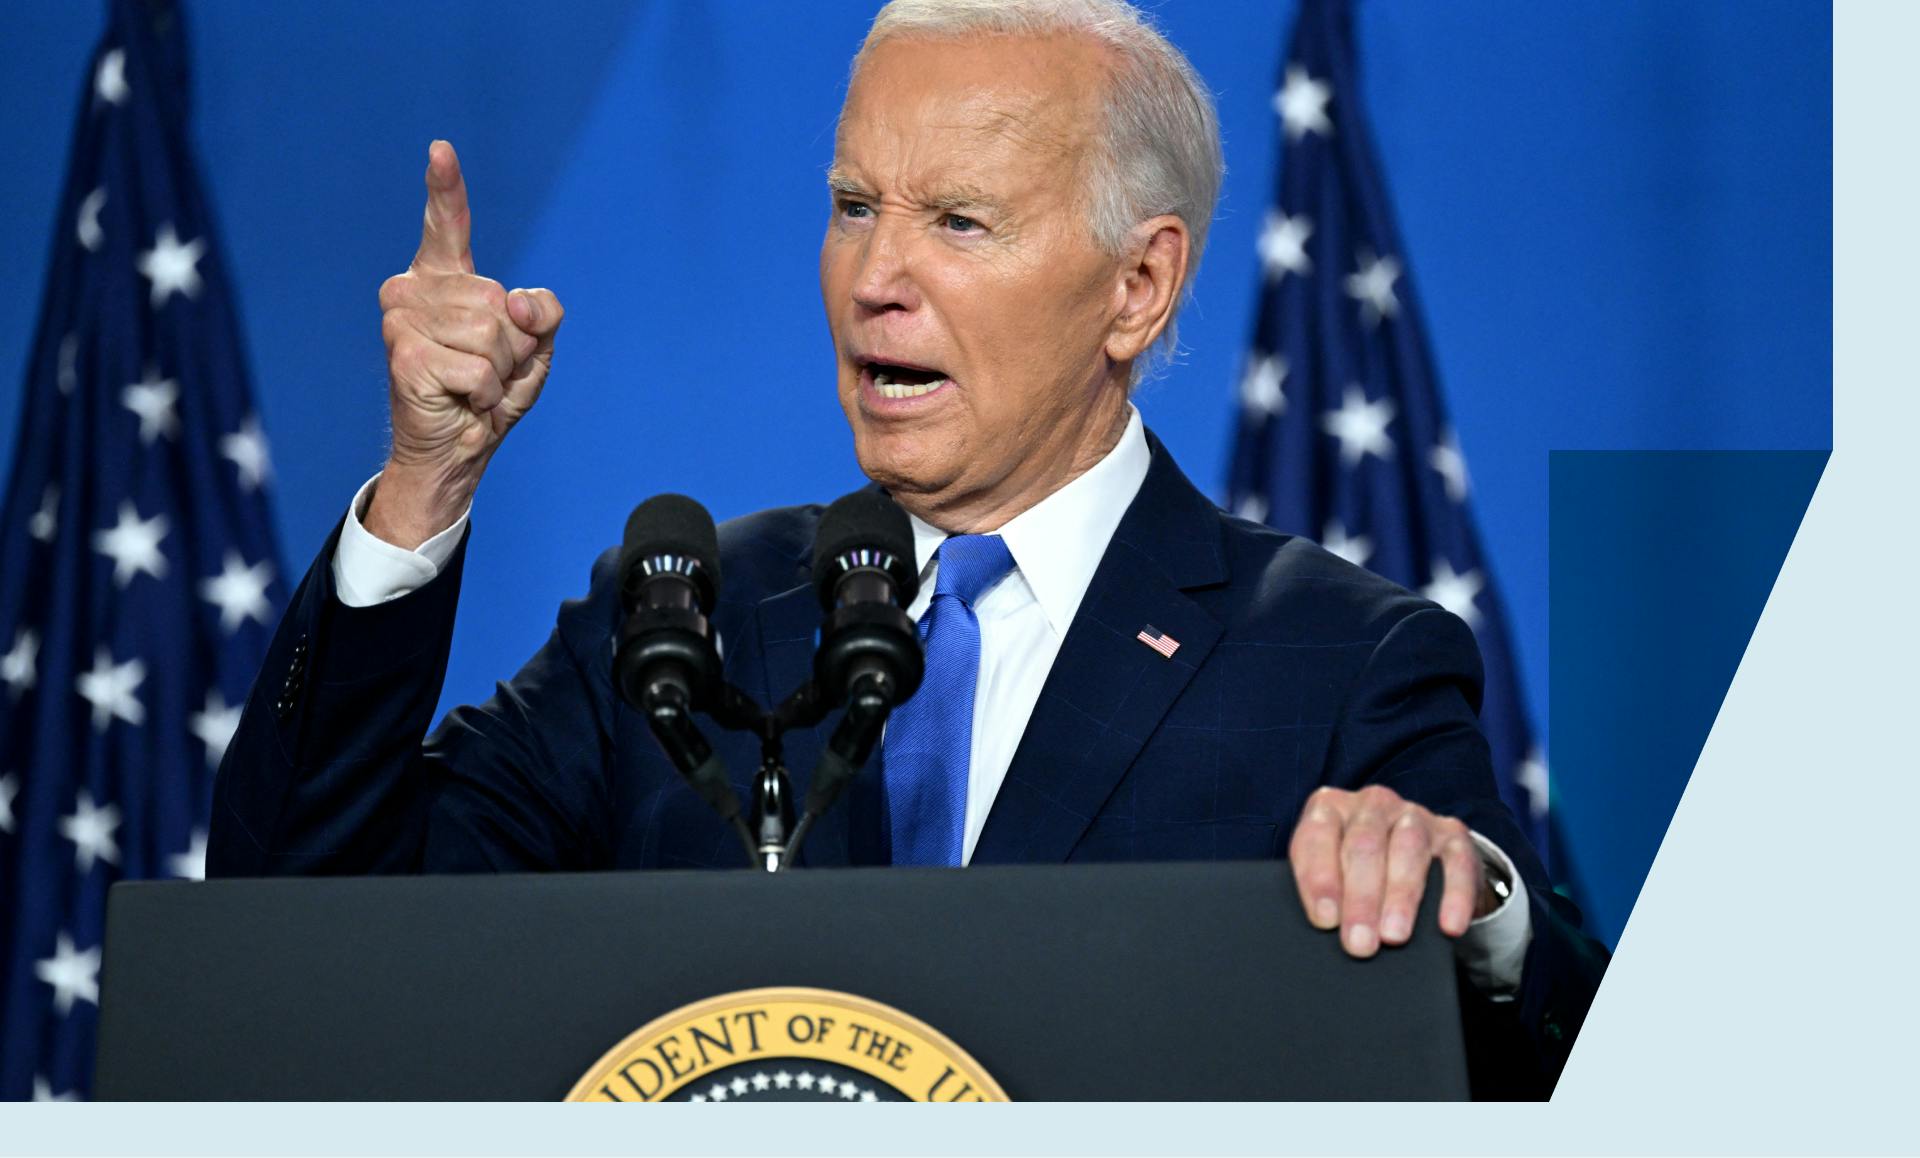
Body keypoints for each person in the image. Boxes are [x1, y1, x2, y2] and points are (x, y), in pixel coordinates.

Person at [209, 0, 1606, 1096]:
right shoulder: (679, 620)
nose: (878, 279)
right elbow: (303, 931)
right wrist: (424, 482)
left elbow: (1573, 1051)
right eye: (855, 204)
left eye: (958, 221)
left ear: (1138, 285)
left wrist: (1465, 901)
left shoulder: (1335, 658)